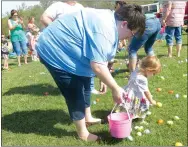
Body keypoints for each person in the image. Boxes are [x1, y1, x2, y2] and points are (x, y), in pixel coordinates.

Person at [36, 4, 145, 141]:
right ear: (124, 24)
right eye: (132, 33)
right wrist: (115, 88)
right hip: (54, 50)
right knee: (74, 90)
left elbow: (101, 57)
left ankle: (87, 117)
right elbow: (98, 66)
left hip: (70, 49)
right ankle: (83, 134)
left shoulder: (111, 21)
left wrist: (105, 80)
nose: (129, 37)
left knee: (87, 80)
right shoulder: (105, 30)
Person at [123, 56, 161, 121]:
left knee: (129, 105)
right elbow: (146, 92)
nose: (153, 75)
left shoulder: (136, 70)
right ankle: (138, 118)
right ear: (148, 70)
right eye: (153, 73)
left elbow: (131, 77)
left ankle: (127, 115)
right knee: (141, 104)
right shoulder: (142, 79)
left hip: (129, 92)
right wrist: (151, 101)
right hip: (136, 95)